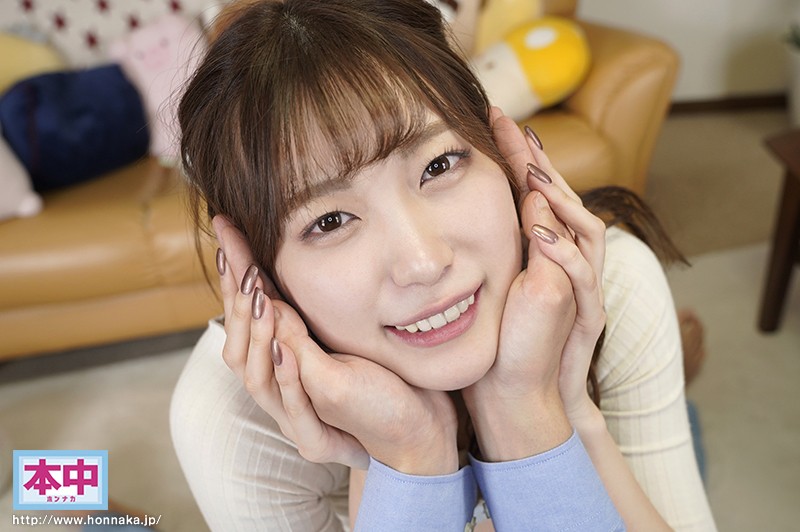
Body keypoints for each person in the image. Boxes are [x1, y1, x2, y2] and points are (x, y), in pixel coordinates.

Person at [170, 0, 716, 530]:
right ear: (261, 272)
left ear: (499, 153)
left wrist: (545, 408)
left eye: (438, 165)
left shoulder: (610, 285)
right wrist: (406, 455)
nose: (424, 262)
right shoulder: (231, 422)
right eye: (330, 221)